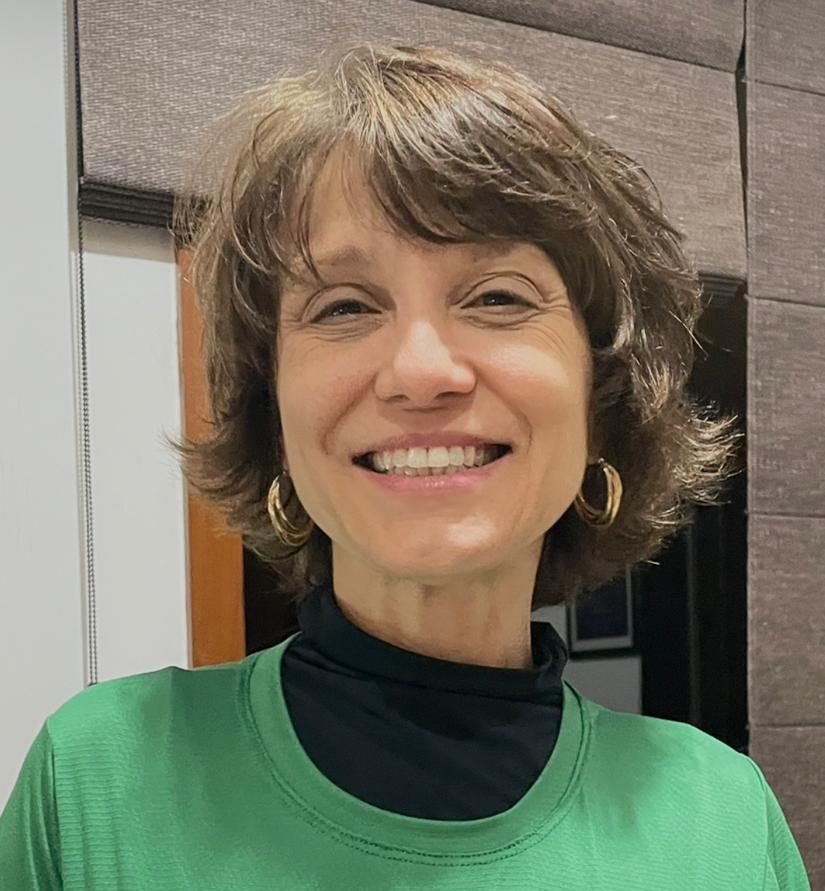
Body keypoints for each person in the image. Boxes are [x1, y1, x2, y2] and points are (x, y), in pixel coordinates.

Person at [0, 42, 811, 889]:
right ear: (272, 413)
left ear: (601, 400)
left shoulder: (719, 821)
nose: (420, 371)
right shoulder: (95, 783)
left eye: (496, 296)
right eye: (344, 306)